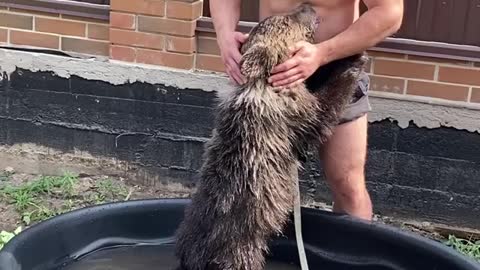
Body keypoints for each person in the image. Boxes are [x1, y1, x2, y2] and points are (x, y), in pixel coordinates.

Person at [209, 0, 404, 221]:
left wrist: (322, 53)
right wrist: (225, 36)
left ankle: (352, 254)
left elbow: (390, 13)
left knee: (347, 184)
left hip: (336, 69)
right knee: (247, 185)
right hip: (270, 74)